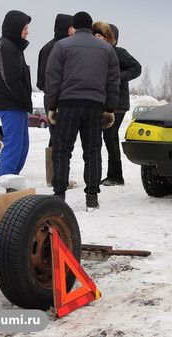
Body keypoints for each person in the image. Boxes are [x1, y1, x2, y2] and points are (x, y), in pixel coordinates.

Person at [44, 11, 120, 209]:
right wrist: (110, 109)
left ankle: (59, 195)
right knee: (93, 151)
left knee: (62, 150)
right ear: (90, 27)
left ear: (74, 27)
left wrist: (52, 106)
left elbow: (52, 80)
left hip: (68, 104)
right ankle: (92, 197)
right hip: (95, 106)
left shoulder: (61, 46)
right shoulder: (106, 49)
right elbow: (113, 82)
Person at [92, 22, 141, 186]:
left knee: (110, 136)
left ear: (111, 38)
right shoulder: (97, 53)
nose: (97, 39)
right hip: (103, 102)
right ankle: (111, 175)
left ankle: (116, 176)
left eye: (101, 36)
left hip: (118, 102)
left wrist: (118, 77)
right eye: (96, 35)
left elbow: (136, 68)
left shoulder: (119, 53)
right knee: (105, 137)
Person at [0, 10, 32, 176]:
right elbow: (11, 80)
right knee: (14, 146)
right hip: (10, 105)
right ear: (15, 28)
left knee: (22, 146)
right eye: (25, 28)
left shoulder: (14, 46)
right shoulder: (6, 47)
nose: (27, 31)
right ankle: (6, 183)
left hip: (18, 105)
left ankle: (12, 179)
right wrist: (24, 99)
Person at [36, 13, 74, 186]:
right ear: (67, 27)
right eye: (72, 27)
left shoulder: (66, 46)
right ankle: (57, 178)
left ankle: (56, 177)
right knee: (59, 139)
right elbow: (42, 81)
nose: (75, 30)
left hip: (61, 99)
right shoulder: (51, 49)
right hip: (55, 100)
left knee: (58, 138)